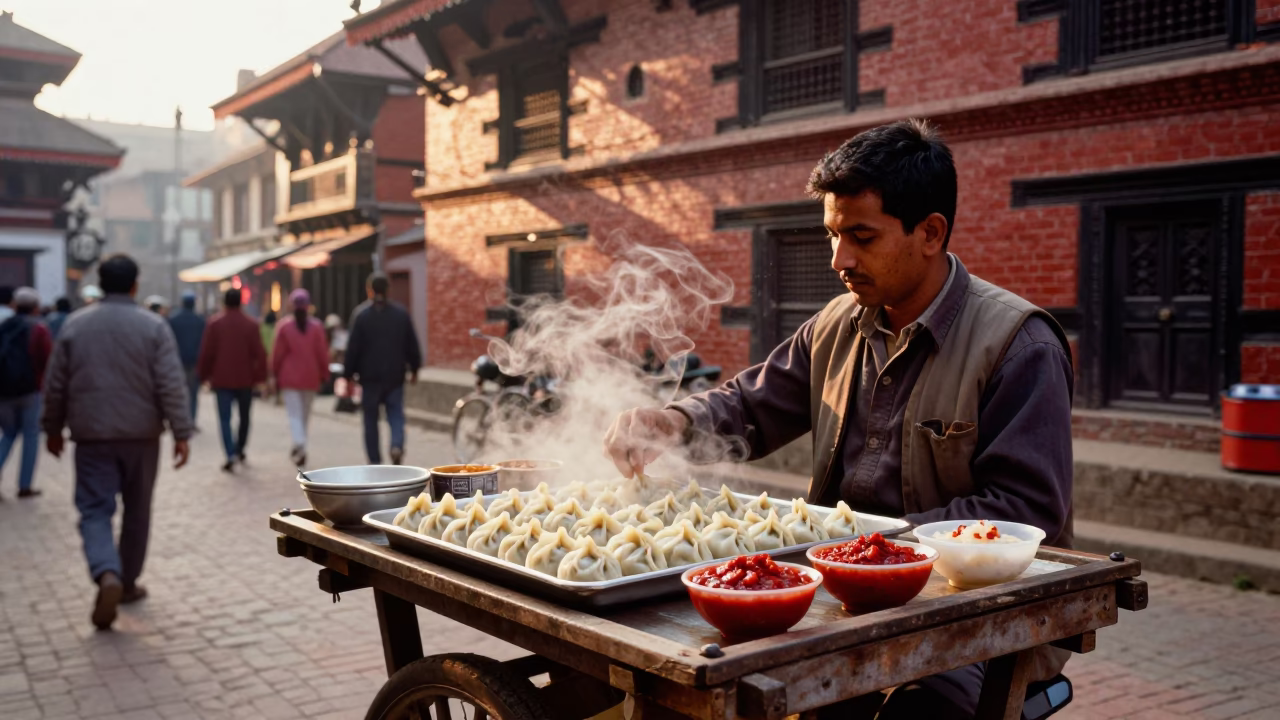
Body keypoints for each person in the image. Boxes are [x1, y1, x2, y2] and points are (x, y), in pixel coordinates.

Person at [603, 120, 1074, 719]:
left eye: (861, 236)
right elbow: (751, 405)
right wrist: (673, 421)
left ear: (930, 233)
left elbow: (1023, 511)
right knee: (690, 681)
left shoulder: (1018, 345)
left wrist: (864, 547)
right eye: (831, 235)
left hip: (978, 613)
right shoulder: (839, 322)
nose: (839, 259)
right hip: (841, 594)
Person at [41, 255, 192, 630]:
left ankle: (106, 571)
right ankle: (125, 584)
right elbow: (170, 383)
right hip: (141, 436)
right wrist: (182, 431)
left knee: (94, 510)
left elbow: (55, 383)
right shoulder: (153, 326)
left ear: (101, 283)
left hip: (92, 436)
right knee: (137, 511)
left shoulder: (76, 325)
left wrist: (53, 427)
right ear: (135, 285)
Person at [344, 273, 422, 465]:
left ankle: (375, 461)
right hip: (395, 376)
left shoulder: (361, 315)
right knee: (395, 414)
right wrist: (415, 368)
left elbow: (353, 348)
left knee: (370, 421)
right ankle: (396, 445)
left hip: (369, 379)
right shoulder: (401, 314)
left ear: (369, 290)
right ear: (388, 290)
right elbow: (411, 344)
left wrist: (348, 374)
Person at [198, 288, 266, 472]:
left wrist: (203, 375)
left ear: (224, 302)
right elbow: (259, 353)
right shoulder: (251, 324)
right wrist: (261, 377)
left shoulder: (215, 324)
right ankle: (240, 448)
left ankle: (230, 453)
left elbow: (207, 353)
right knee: (244, 417)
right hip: (245, 379)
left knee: (225, 419)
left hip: (222, 379)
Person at [0, 287, 53, 499]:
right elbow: (47, 361)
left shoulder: (4, 327)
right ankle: (24, 485)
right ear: (36, 307)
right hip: (31, 392)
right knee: (31, 436)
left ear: (15, 305)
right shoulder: (39, 329)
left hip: (3, 392)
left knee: (9, 434)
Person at [271, 289, 329, 466]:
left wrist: (273, 374)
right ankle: (300, 444)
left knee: (295, 414)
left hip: (290, 379)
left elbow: (276, 355)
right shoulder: (317, 327)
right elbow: (323, 354)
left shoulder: (284, 327)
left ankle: (299, 443)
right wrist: (324, 373)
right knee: (304, 415)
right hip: (310, 377)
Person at [168, 292, 206, 427]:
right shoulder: (200, 321)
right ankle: (191, 420)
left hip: (177, 362)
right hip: (195, 362)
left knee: (178, 393)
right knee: (193, 393)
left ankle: (179, 421)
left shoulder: (173, 320)